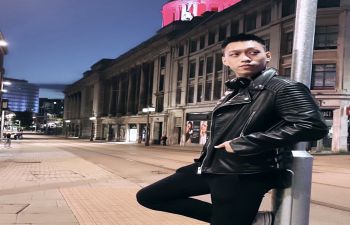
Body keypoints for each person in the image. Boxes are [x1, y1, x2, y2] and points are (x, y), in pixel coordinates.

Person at [136, 33, 328, 225]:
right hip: (211, 167)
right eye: (235, 54)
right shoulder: (236, 91)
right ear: (225, 60)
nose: (245, 58)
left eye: (253, 52)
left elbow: (313, 126)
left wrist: (245, 143)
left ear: (267, 55)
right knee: (150, 196)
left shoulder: (283, 88)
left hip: (244, 173)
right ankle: (249, 220)